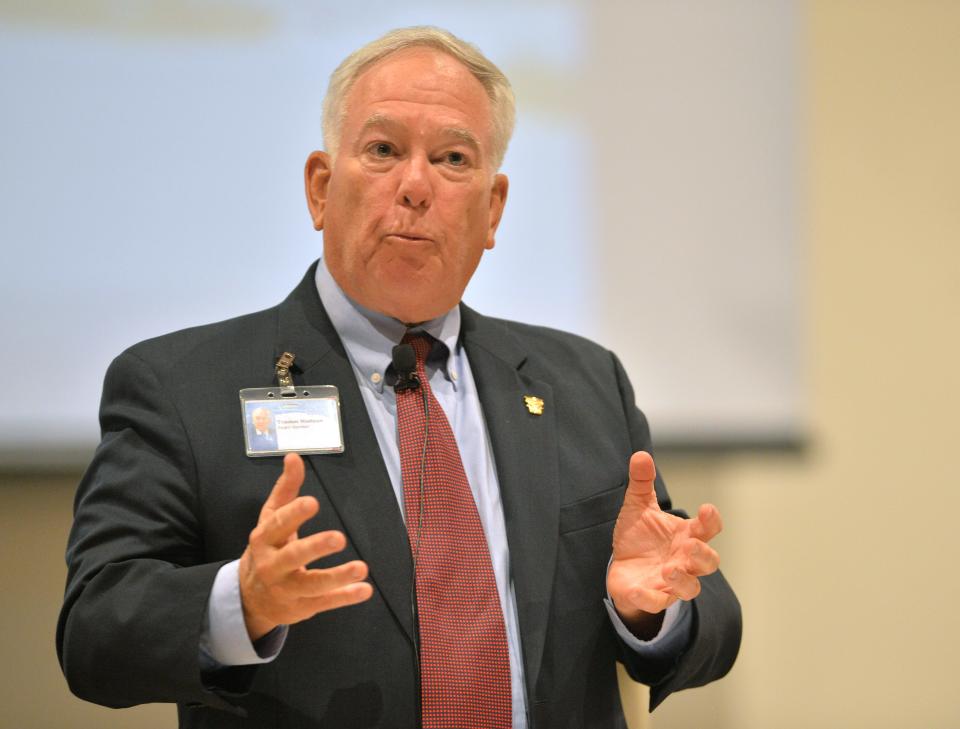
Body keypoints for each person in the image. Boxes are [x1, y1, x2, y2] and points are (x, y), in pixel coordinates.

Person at [58, 26, 740, 729]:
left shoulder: (584, 382)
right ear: (321, 188)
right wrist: (241, 602)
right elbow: (93, 630)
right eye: (383, 150)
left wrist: (651, 606)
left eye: (451, 158)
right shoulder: (182, 387)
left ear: (493, 208)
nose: (415, 186)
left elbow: (705, 609)